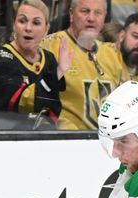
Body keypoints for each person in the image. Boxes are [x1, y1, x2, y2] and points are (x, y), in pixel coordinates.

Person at [0, 0, 65, 129]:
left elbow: (55, 107)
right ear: (14, 24)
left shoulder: (49, 59)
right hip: (3, 142)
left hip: (41, 141)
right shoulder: (2, 59)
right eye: (22, 21)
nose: (28, 28)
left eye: (36, 23)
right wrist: (58, 73)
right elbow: (21, 102)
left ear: (46, 29)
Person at [40, 0, 121, 130]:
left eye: (98, 13)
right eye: (85, 11)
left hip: (106, 142)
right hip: (67, 141)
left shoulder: (112, 54)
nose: (91, 18)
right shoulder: (50, 46)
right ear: (71, 15)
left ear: (104, 17)